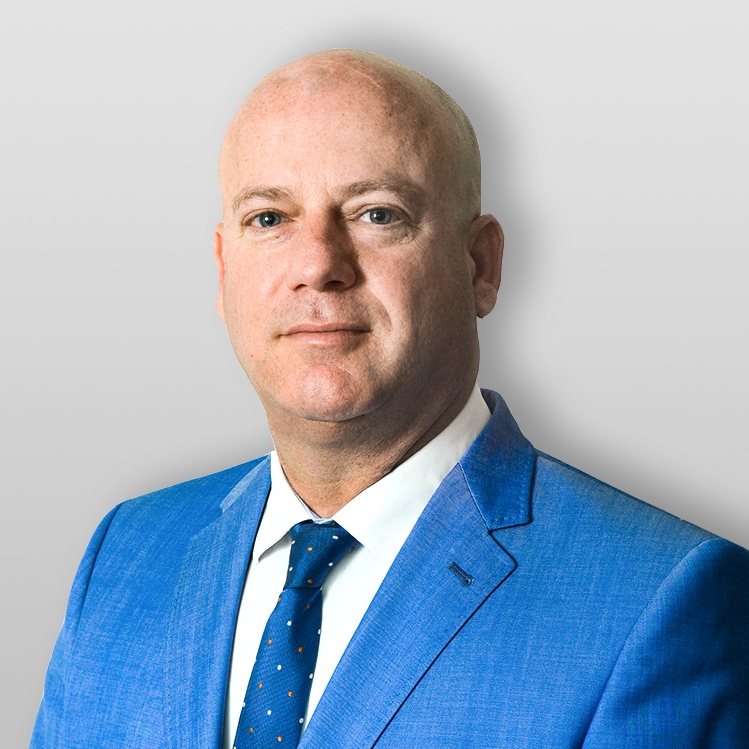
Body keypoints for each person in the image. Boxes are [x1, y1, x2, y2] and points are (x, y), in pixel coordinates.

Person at [30, 49, 749, 749]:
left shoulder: (658, 600)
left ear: (480, 265)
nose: (318, 264)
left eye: (377, 214)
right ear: (223, 272)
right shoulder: (125, 554)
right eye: (270, 219)